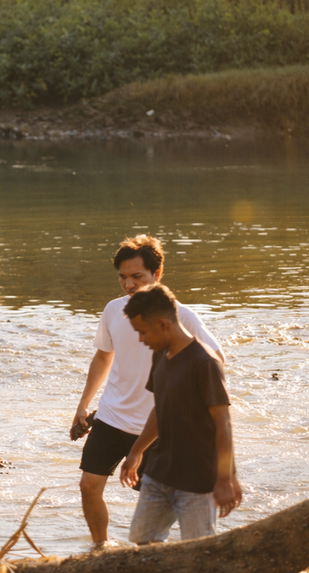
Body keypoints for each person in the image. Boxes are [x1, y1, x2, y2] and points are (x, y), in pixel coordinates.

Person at [71, 234, 224, 546]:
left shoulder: (182, 316)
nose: (128, 284)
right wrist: (83, 404)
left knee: (159, 508)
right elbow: (103, 356)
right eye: (122, 277)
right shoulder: (114, 310)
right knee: (88, 485)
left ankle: (163, 553)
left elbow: (215, 360)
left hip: (158, 427)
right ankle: (101, 550)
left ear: (157, 274)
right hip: (111, 415)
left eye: (137, 276)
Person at [119, 283, 242, 542]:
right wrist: (136, 451)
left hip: (197, 482)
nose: (140, 339)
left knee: (199, 551)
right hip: (159, 472)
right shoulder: (160, 354)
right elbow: (160, 409)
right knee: (142, 541)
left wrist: (225, 478)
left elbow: (223, 423)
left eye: (142, 332)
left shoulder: (205, 363)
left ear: (163, 324)